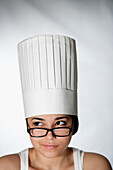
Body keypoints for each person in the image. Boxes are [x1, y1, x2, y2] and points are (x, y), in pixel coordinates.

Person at [0, 35, 112, 170]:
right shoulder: (6, 166)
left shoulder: (95, 165)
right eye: (38, 124)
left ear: (74, 125)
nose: (50, 136)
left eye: (60, 123)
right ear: (28, 125)